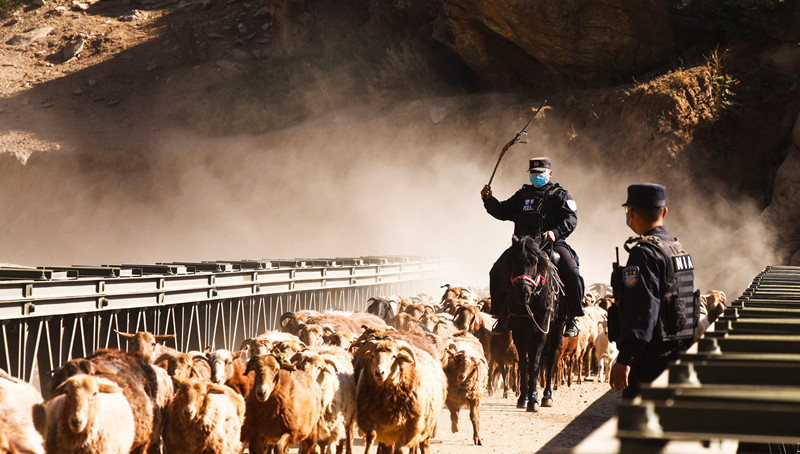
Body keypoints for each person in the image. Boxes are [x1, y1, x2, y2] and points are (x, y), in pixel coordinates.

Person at [608, 183, 699, 398]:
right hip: (678, 353)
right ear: (664, 212)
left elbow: (643, 310)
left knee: (638, 424)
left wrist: (625, 359)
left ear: (630, 212)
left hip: (649, 360)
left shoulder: (644, 254)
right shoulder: (678, 249)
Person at [480, 157, 585, 337]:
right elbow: (503, 210)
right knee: (496, 271)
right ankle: (501, 314)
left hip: (551, 244)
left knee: (572, 272)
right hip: (523, 247)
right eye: (533, 173)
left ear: (549, 174)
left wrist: (556, 232)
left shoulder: (560, 194)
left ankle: (572, 317)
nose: (536, 176)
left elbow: (571, 219)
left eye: (540, 173)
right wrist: (488, 199)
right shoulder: (522, 195)